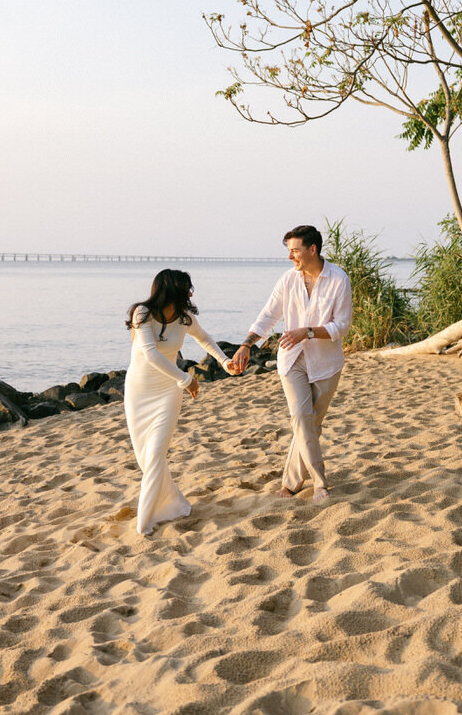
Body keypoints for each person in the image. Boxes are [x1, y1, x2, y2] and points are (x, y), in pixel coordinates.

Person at [230, 225, 352, 503]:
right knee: (300, 418)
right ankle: (320, 483)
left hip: (326, 362)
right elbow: (267, 316)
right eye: (289, 251)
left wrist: (307, 332)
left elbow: (342, 327)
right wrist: (247, 344)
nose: (290, 257)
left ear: (313, 249)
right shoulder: (287, 280)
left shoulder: (338, 279)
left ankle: (291, 484)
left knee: (310, 425)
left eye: (294, 251)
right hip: (291, 360)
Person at [124, 269, 237, 536]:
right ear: (171, 290)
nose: (190, 292)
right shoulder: (142, 314)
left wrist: (224, 362)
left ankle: (145, 521)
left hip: (167, 393)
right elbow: (150, 354)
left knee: (155, 456)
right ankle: (173, 504)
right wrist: (187, 379)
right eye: (186, 288)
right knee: (145, 458)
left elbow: (205, 339)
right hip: (139, 392)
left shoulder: (185, 319)